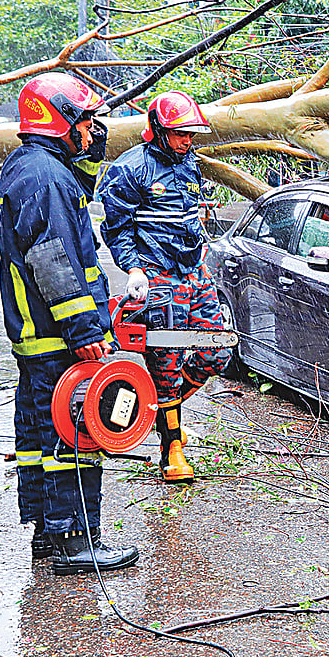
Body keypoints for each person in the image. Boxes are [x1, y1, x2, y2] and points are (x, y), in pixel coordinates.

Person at [0, 72, 140, 575]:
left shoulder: (35, 167)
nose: (92, 128)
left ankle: (48, 530)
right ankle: (76, 540)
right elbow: (54, 260)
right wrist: (83, 331)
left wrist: (90, 155)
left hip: (38, 334)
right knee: (73, 434)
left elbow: (72, 201)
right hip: (58, 335)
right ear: (59, 118)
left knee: (42, 431)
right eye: (85, 120)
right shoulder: (45, 177)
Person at [99, 91, 232, 484]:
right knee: (167, 362)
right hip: (157, 277)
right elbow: (116, 228)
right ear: (156, 130)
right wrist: (133, 269)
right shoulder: (130, 169)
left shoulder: (189, 163)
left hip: (194, 271)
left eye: (190, 134)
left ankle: (160, 413)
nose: (186, 141)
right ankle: (172, 447)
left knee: (216, 351)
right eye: (179, 134)